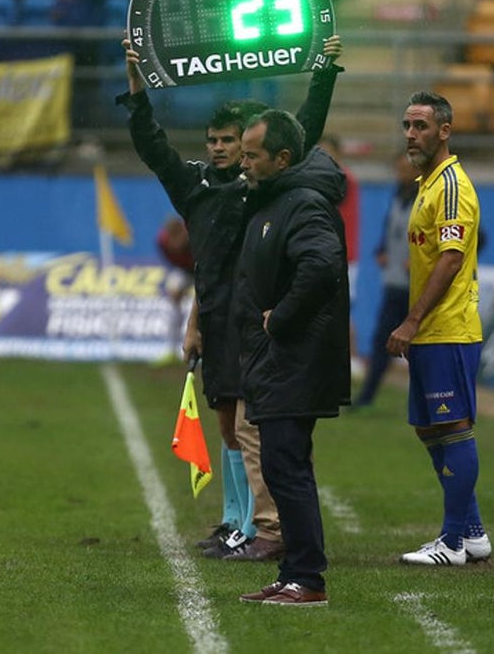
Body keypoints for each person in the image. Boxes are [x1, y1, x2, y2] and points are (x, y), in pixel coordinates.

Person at [118, 33, 344, 564]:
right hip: (216, 317)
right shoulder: (194, 187)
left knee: (250, 424)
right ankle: (236, 522)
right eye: (213, 140)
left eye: (229, 141)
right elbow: (152, 146)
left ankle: (259, 526)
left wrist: (323, 74)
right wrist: (135, 87)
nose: (220, 148)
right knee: (227, 423)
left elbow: (302, 133)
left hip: (251, 320)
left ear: (247, 147)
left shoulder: (258, 188)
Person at [235, 109, 350, 607]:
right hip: (277, 360)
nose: (243, 164)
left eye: (252, 155)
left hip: (295, 359)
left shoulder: (302, 203)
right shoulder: (275, 199)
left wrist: (279, 319)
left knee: (287, 464)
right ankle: (293, 571)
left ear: (282, 158)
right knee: (281, 467)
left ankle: (309, 578)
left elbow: (322, 265)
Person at [385, 91, 492, 567]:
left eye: (421, 126)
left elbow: (450, 259)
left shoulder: (450, 186)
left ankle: (451, 542)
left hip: (448, 327)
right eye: (407, 125)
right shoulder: (426, 183)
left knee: (452, 426)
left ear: (444, 131)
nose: (411, 134)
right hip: (433, 331)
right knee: (429, 429)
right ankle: (471, 533)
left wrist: (412, 319)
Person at [353, 151, 419, 408]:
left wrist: (421, 259)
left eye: (405, 169)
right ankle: (366, 398)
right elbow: (391, 231)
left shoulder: (427, 199)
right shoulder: (398, 196)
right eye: (398, 169)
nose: (401, 174)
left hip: (417, 286)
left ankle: (430, 399)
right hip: (394, 282)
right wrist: (381, 251)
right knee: (384, 340)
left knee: (422, 346)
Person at [318, 135, 362, 378]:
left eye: (328, 154)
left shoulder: (344, 179)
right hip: (324, 253)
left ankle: (351, 357)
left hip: (343, 255)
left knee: (341, 307)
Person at [155, 215, 194, 366]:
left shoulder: (195, 239)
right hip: (184, 270)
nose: (175, 244)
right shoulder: (162, 242)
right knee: (172, 295)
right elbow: (173, 263)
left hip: (202, 269)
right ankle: (171, 348)